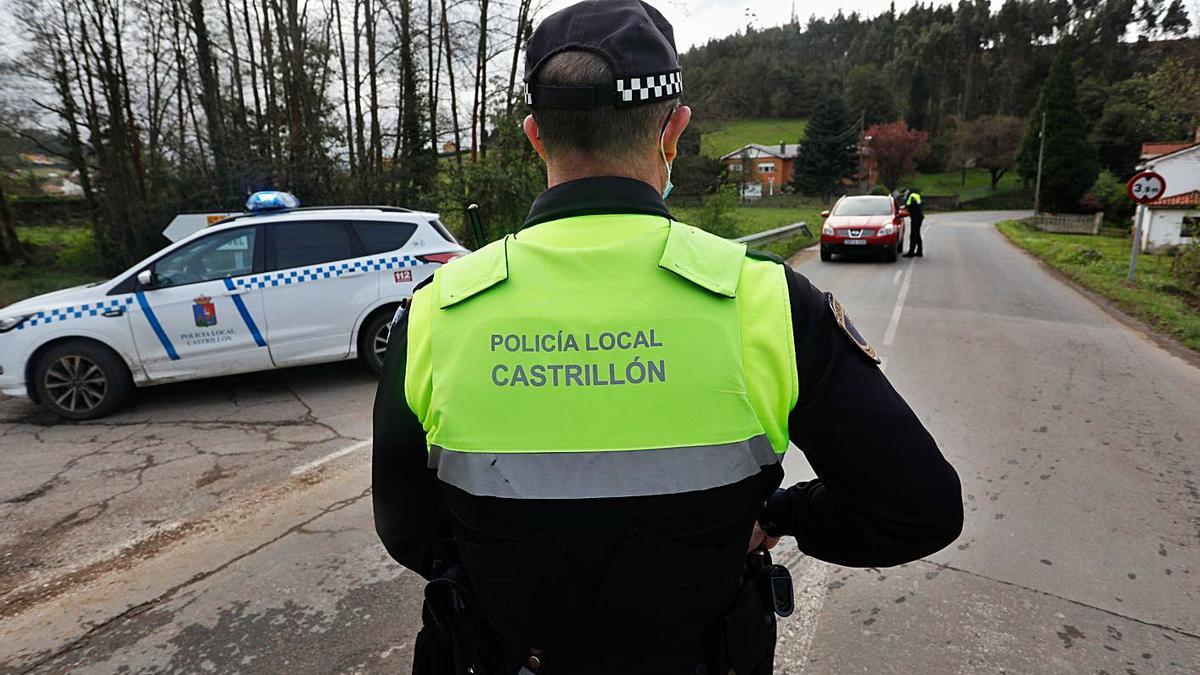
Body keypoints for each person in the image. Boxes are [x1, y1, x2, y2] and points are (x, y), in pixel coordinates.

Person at [373, 2, 963, 673]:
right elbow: (919, 507)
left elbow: (410, 531)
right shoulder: (765, 300)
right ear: (673, 131)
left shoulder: (435, 313)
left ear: (537, 135)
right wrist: (784, 513)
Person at [902, 187, 925, 257]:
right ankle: (919, 251)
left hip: (916, 217)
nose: (904, 195)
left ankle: (911, 252)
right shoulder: (915, 195)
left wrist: (905, 205)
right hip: (919, 216)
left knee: (913, 234)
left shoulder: (911, 196)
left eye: (904, 194)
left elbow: (909, 205)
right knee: (917, 234)